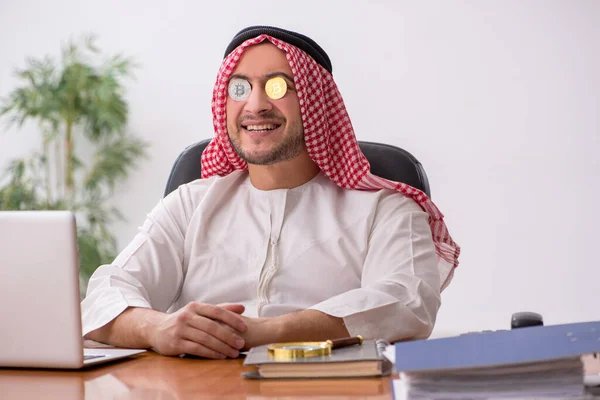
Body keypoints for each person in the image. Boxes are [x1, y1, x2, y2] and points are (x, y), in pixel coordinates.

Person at [82, 26, 460, 360]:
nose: (256, 104)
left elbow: (407, 301)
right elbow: (104, 294)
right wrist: (156, 329)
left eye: (277, 86)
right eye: (240, 88)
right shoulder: (190, 204)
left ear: (316, 104)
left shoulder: (387, 210)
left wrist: (263, 332)